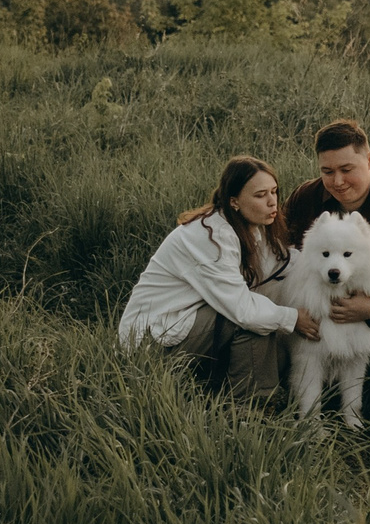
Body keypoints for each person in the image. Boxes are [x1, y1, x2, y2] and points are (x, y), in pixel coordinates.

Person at [117, 154, 319, 400]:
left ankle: (233, 390)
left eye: (274, 192)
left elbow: (283, 263)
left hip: (186, 325)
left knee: (273, 347)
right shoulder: (210, 237)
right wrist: (293, 317)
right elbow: (243, 311)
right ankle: (253, 408)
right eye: (259, 195)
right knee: (252, 319)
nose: (272, 202)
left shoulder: (248, 227)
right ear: (234, 201)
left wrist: (328, 270)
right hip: (152, 344)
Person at [283, 120, 370, 372]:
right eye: (327, 171)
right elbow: (280, 251)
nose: (338, 181)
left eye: (347, 169)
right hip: (314, 296)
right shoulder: (305, 197)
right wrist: (296, 310)